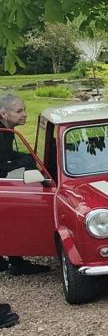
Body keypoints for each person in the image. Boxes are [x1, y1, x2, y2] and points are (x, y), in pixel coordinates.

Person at [0, 93, 51, 276]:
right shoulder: (2, 132)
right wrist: (24, 162)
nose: (24, 114)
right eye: (19, 111)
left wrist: (28, 157)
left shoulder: (7, 131)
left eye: (25, 109)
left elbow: (6, 154)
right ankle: (13, 261)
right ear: (4, 114)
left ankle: (15, 261)